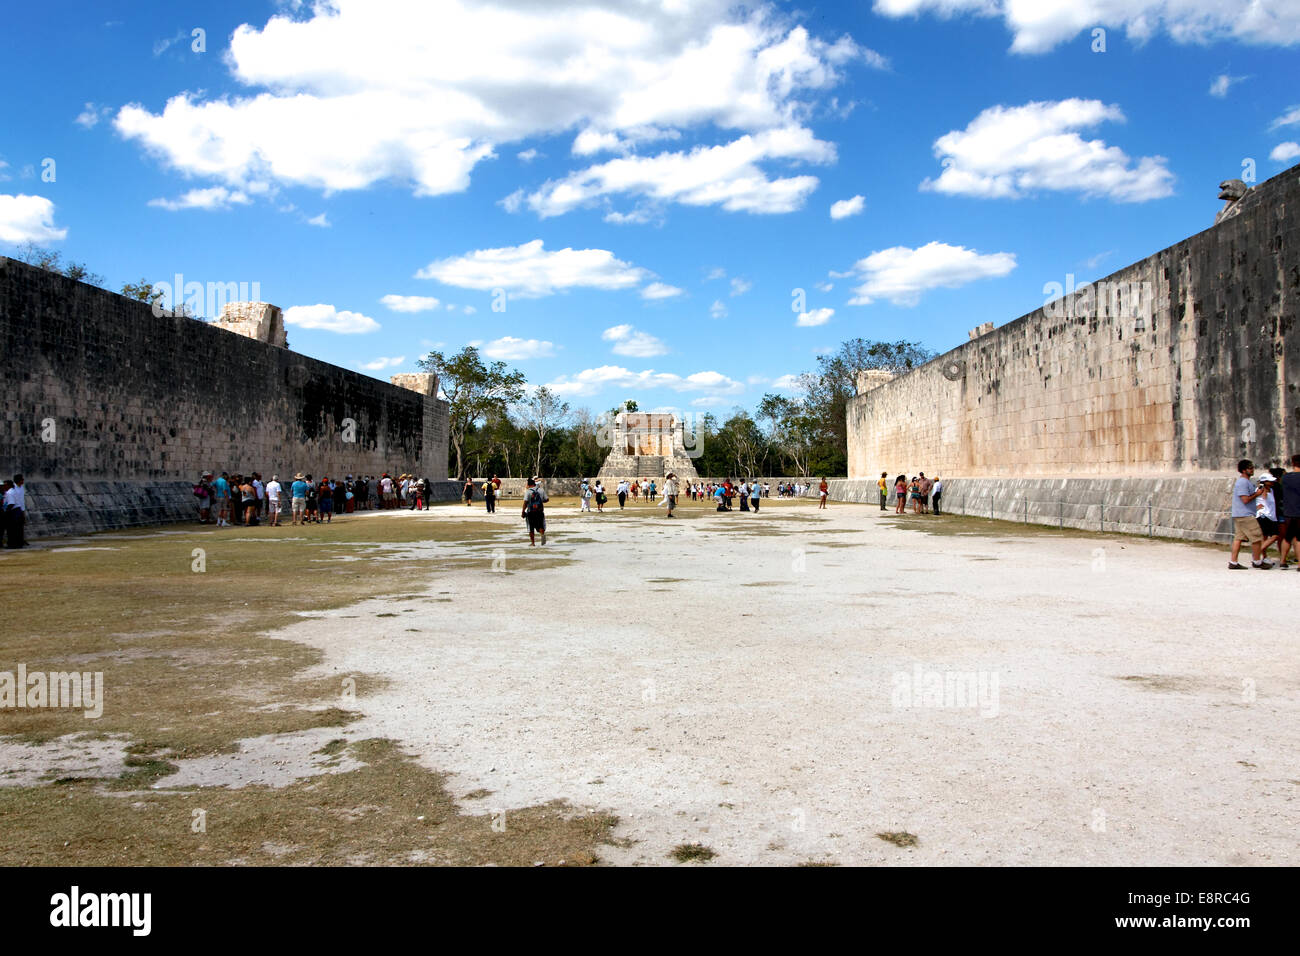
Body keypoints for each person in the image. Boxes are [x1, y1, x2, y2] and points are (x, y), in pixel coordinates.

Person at [1229, 459, 1271, 569]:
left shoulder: (1246, 482)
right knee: (1257, 537)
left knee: (1238, 538)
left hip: (1240, 514)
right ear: (1244, 470)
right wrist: (1257, 494)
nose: (1252, 470)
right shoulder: (1243, 482)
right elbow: (1245, 499)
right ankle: (1257, 561)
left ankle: (1233, 562)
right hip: (1245, 514)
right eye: (1250, 468)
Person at [522, 476, 548, 546]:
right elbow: (547, 499)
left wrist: (523, 512)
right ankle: (542, 534)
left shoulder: (528, 491)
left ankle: (533, 543)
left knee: (531, 528)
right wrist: (541, 501)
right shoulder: (541, 490)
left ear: (529, 485)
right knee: (540, 525)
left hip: (531, 512)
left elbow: (525, 502)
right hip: (540, 511)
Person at [3, 474, 26, 548]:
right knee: (17, 528)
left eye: (5, 485)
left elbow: (11, 503)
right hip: (18, 509)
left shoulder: (10, 492)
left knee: (13, 529)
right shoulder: (13, 490)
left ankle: (13, 544)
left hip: (15, 510)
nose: (4, 487)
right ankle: (18, 543)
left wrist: (6, 512)